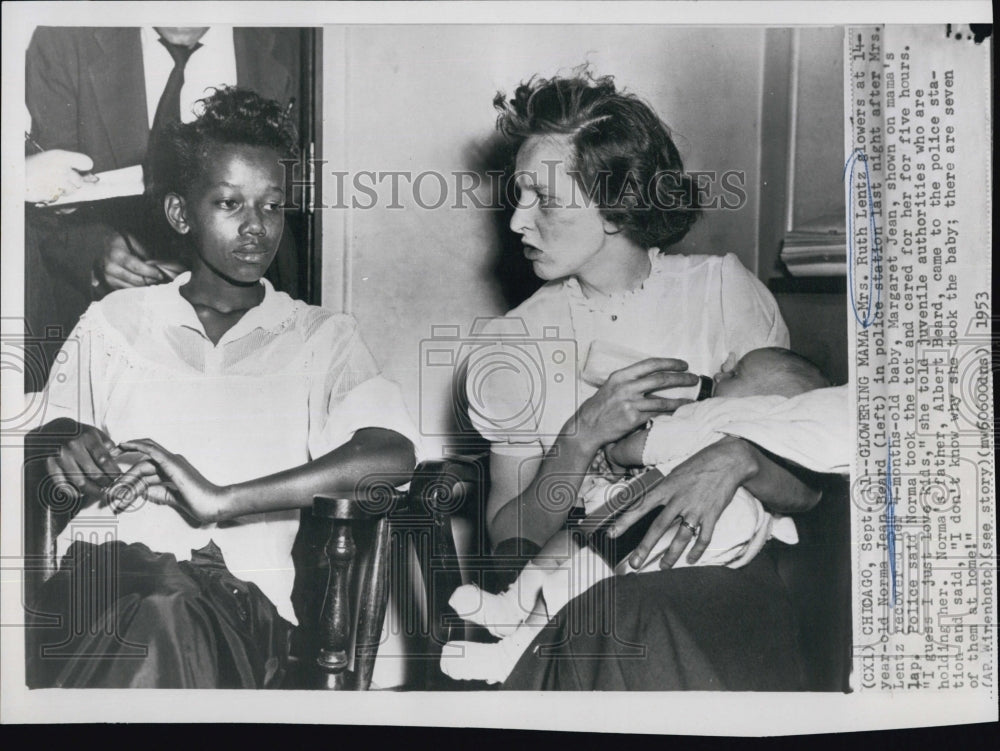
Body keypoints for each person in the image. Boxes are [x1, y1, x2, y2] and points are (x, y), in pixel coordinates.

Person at [25, 87, 417, 689]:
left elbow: (389, 455)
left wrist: (220, 499)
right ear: (182, 214)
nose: (257, 227)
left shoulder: (320, 337)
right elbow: (45, 439)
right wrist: (66, 441)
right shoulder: (114, 322)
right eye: (230, 204)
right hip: (96, 595)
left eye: (272, 206)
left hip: (240, 614)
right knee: (157, 604)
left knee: (168, 609)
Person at [467, 71, 837, 690]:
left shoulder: (722, 291)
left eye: (545, 200)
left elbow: (807, 493)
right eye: (518, 194)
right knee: (612, 616)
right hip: (572, 594)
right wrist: (580, 438)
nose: (516, 223)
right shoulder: (510, 343)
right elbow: (511, 545)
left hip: (721, 587)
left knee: (625, 618)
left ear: (615, 203)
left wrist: (736, 458)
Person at [443, 348, 846, 684]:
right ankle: (514, 605)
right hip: (665, 510)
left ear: (767, 400)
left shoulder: (724, 414)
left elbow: (665, 440)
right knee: (577, 543)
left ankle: (512, 654)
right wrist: (581, 438)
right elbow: (509, 535)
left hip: (684, 518)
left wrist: (619, 452)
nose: (722, 369)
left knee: (582, 574)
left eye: (736, 372)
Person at [24, 26, 303, 384]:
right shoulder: (64, 38)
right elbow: (41, 202)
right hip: (97, 331)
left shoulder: (287, 42)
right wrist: (94, 250)